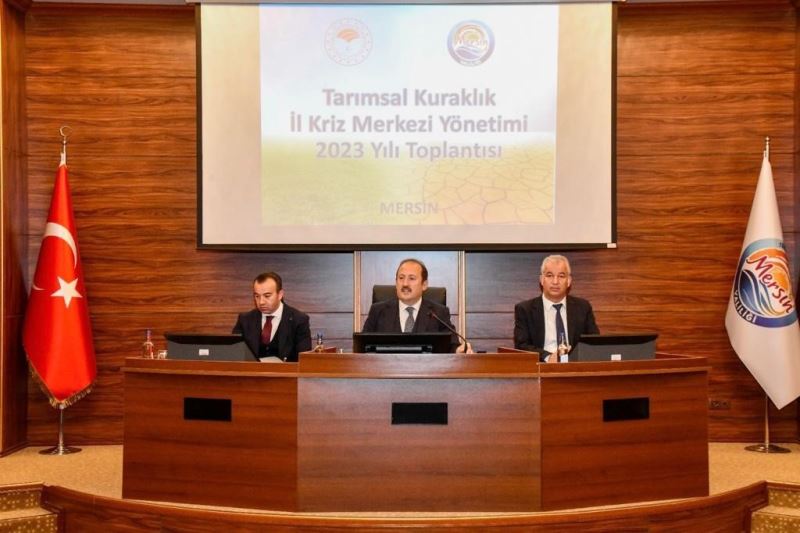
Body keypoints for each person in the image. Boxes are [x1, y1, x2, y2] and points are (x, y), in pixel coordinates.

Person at [362, 258, 471, 353]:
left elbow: (452, 346)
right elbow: (362, 347)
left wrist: (459, 351)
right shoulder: (378, 311)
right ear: (396, 282)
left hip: (427, 370)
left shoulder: (438, 313)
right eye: (401, 278)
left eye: (412, 278)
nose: (405, 284)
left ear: (424, 285)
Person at [514, 254, 599, 361]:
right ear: (542, 280)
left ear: (569, 281)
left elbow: (594, 343)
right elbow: (521, 346)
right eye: (549, 275)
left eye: (561, 276)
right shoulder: (525, 309)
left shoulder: (582, 307)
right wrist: (548, 357)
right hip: (541, 366)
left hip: (574, 366)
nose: (555, 282)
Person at [233, 271, 312, 362]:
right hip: (252, 371)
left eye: (267, 296)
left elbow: (304, 360)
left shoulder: (299, 320)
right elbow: (234, 353)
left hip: (286, 371)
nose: (261, 302)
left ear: (280, 294)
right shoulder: (245, 320)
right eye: (257, 296)